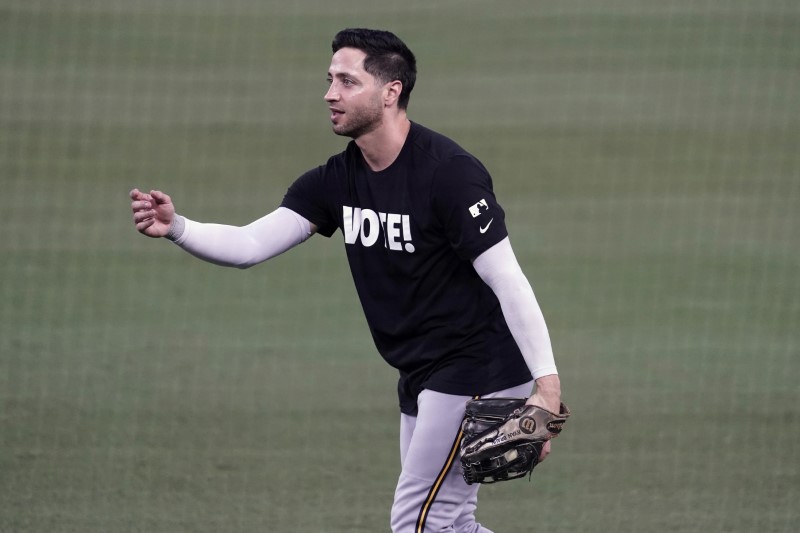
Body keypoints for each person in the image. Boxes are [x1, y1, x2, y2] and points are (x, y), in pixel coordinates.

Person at [130, 28, 562, 533]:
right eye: (330, 79)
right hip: (421, 373)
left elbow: (508, 278)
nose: (330, 93)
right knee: (447, 523)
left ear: (390, 91)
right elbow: (249, 246)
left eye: (346, 81)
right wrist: (178, 228)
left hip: (475, 368)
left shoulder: (449, 174)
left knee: (422, 523)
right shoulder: (337, 180)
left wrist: (546, 389)